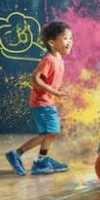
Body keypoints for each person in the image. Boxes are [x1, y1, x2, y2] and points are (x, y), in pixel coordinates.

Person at [5, 21, 73, 176]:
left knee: (51, 132)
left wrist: (57, 91)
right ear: (51, 42)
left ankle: (42, 161)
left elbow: (49, 81)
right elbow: (35, 79)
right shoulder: (49, 59)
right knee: (50, 132)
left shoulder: (59, 60)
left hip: (46, 102)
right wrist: (54, 92)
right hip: (41, 102)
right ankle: (18, 154)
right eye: (65, 38)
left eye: (71, 38)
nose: (70, 41)